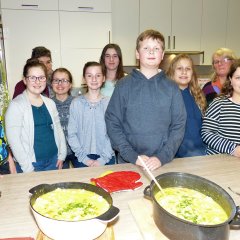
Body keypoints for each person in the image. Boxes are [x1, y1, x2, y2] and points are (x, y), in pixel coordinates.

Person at [105, 29, 186, 171]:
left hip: (162, 162)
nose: (151, 52)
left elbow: (178, 126)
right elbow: (112, 122)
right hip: (128, 162)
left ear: (162, 55)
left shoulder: (172, 88)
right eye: (146, 48)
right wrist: (133, 156)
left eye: (156, 48)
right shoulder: (123, 85)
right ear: (137, 53)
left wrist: (162, 157)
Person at [5, 60, 66, 173]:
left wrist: (62, 155)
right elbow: (14, 141)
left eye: (41, 77)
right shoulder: (16, 105)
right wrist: (28, 168)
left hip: (54, 161)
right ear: (25, 80)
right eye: (32, 77)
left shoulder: (50, 103)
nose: (37, 82)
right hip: (31, 164)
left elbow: (58, 130)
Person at [68, 61, 115, 167]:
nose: (94, 79)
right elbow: (71, 134)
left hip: (107, 158)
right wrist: (84, 159)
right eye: (89, 76)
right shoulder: (76, 103)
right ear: (84, 78)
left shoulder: (110, 103)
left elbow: (113, 133)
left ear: (103, 78)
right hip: (82, 159)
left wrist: (102, 159)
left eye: (98, 75)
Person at [166, 54, 207, 157]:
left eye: (188, 69)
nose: (184, 72)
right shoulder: (165, 96)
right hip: (174, 156)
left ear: (192, 73)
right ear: (172, 72)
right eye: (179, 68)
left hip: (200, 153)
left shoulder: (198, 95)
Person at [201, 59, 240, 157]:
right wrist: (233, 149)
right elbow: (206, 133)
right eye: (238, 78)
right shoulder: (219, 103)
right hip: (218, 160)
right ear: (230, 79)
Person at [51, 67, 78, 168]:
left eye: (64, 81)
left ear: (70, 84)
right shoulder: (48, 104)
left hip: (78, 152)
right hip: (57, 154)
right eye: (56, 80)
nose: (60, 84)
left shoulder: (77, 102)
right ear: (51, 83)